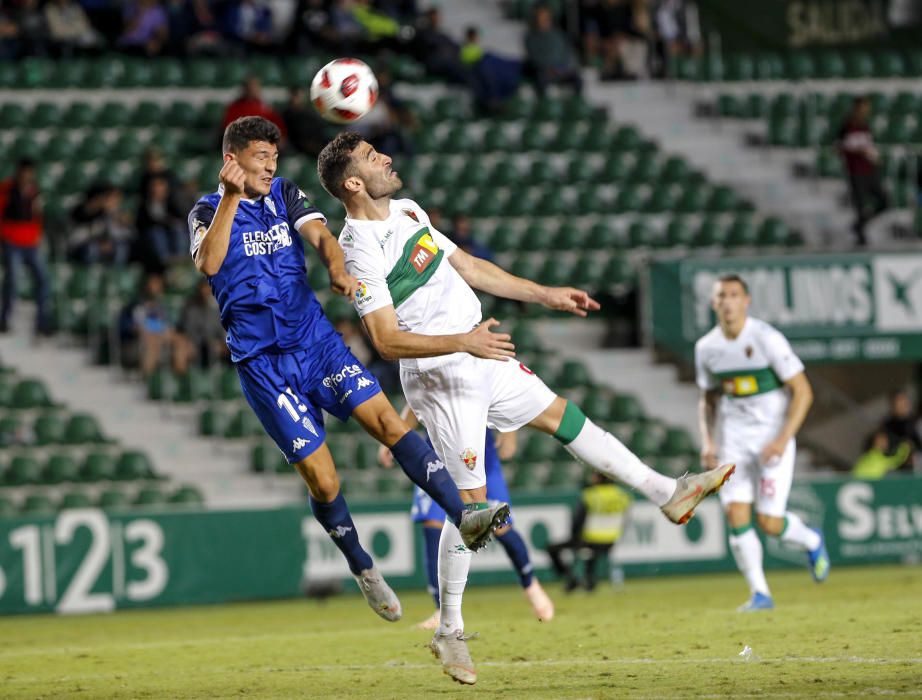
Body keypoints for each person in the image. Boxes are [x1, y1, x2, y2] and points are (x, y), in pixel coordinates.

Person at [317, 131, 734, 685]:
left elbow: (466, 264)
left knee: (565, 418)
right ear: (352, 182)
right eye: (372, 157)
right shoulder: (359, 248)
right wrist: (463, 342)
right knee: (472, 507)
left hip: (479, 350)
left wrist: (544, 294)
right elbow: (386, 341)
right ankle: (450, 630)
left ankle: (669, 492)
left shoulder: (409, 211)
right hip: (442, 374)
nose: (386, 158)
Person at [187, 116, 506, 623]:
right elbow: (209, 263)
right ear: (232, 160)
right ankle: (361, 564)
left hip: (315, 342)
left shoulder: (285, 195)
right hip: (263, 364)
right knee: (325, 481)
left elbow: (322, 237)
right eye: (260, 158)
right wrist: (229, 198)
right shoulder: (207, 209)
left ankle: (465, 515)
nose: (271, 166)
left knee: (387, 422)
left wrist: (337, 269)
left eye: (274, 157)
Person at [696, 274, 830, 613]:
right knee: (735, 513)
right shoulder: (706, 348)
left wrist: (783, 439)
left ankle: (811, 539)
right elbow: (708, 400)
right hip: (734, 443)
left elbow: (803, 391)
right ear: (713, 303)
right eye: (721, 295)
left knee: (769, 523)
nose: (727, 301)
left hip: (773, 440)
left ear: (746, 301)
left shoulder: (767, 338)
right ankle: (760, 594)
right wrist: (708, 441)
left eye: (733, 294)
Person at [378, 409, 555, 629]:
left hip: (478, 451)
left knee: (500, 526)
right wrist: (392, 437)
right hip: (437, 449)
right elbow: (414, 398)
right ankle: (441, 610)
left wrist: (509, 430)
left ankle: (532, 587)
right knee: (432, 523)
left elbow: (500, 386)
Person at [546, 472, 631, 592]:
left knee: (553, 548)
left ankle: (572, 578)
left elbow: (577, 522)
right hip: (612, 540)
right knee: (589, 552)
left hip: (590, 539)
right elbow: (626, 519)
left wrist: (574, 537)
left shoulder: (590, 495)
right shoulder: (622, 495)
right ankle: (587, 580)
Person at [0, 159, 51, 335]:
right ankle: (4, 319)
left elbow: (38, 216)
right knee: (12, 281)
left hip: (31, 243)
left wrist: (38, 236)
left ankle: (42, 322)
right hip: (12, 241)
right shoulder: (6, 189)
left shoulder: (34, 191)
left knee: (43, 280)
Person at [837, 96, 888, 247]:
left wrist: (874, 157)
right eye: (864, 107)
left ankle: (859, 225)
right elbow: (840, 147)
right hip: (855, 171)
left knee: (884, 202)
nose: (867, 110)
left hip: (869, 170)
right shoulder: (847, 126)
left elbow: (869, 146)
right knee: (860, 206)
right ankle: (861, 238)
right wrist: (858, 151)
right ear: (857, 108)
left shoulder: (865, 126)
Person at [524, 5, 583, 96]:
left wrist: (561, 68)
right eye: (541, 17)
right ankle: (545, 106)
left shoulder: (559, 34)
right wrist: (549, 68)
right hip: (544, 72)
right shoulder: (530, 37)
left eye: (546, 17)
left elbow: (567, 52)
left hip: (561, 70)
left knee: (578, 79)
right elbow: (534, 57)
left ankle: (576, 105)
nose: (543, 20)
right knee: (540, 80)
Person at [879, 389, 921, 470]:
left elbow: (918, 444)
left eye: (904, 401)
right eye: (899, 401)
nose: (903, 404)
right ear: (892, 405)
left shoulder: (916, 422)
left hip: (916, 468)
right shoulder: (887, 425)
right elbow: (884, 450)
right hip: (895, 470)